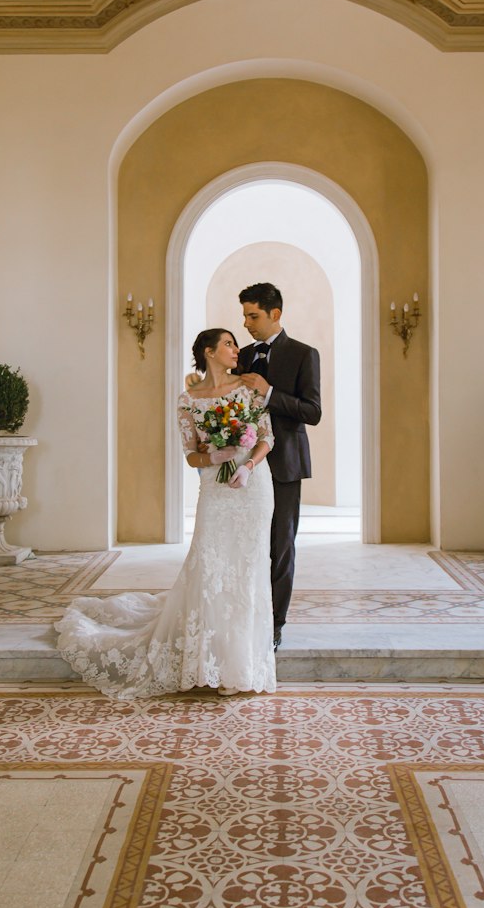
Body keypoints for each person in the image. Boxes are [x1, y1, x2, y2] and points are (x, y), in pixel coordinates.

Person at [56, 328, 276, 699]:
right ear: (209, 352)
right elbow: (191, 455)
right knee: (210, 567)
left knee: (249, 569)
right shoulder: (188, 399)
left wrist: (248, 465)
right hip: (215, 489)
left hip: (252, 488)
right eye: (228, 343)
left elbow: (268, 436)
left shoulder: (249, 388)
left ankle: (240, 665)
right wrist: (216, 457)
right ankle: (208, 661)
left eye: (235, 343)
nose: (236, 349)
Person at [237, 282, 322, 648]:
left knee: (281, 545)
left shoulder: (304, 354)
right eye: (243, 316)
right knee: (246, 543)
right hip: (243, 466)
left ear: (275, 314)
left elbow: (313, 412)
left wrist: (269, 393)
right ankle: (244, 614)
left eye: (253, 316)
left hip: (285, 463)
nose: (246, 323)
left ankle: (274, 623)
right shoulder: (240, 356)